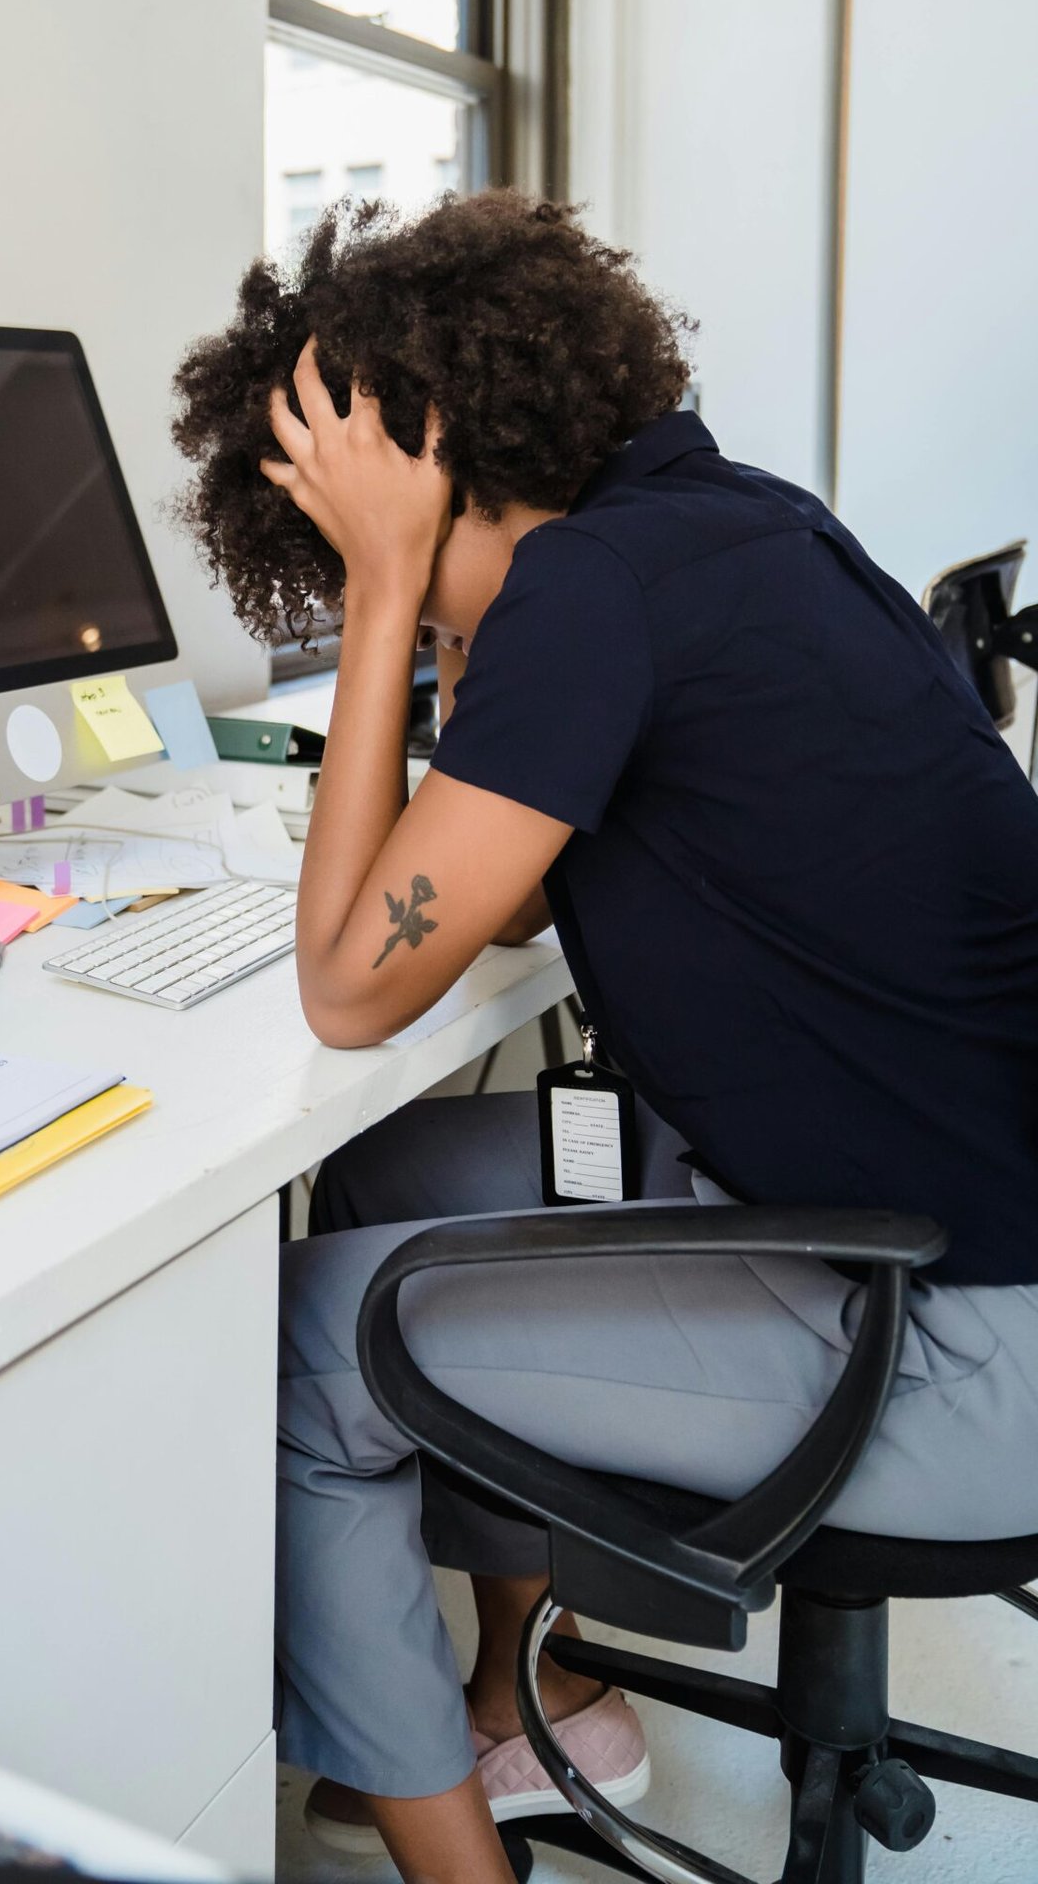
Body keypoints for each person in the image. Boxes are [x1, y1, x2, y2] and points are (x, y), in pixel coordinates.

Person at [170, 189, 1038, 1884]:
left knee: (302, 1347)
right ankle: (526, 1699)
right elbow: (487, 905)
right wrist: (436, 617)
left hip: (963, 1344)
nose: (422, 630)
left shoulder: (587, 591)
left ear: (430, 469)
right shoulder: (720, 524)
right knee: (384, 1175)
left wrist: (381, 590)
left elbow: (352, 982)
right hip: (947, 1227)